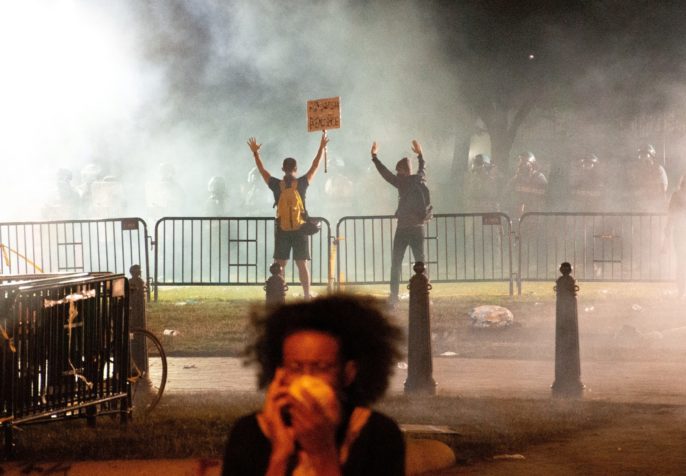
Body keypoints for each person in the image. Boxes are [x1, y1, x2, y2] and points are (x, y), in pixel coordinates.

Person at [222, 294, 405, 476]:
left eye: (321, 368)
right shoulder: (249, 433)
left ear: (348, 373)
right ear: (280, 373)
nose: (306, 379)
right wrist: (280, 455)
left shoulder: (377, 434)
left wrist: (323, 453)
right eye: (296, 368)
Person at [247, 132, 328, 300]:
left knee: (280, 264)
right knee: (302, 265)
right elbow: (314, 166)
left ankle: (279, 295)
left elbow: (262, 171)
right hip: (300, 229)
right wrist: (321, 147)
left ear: (282, 169)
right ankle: (306, 295)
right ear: (296, 169)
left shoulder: (277, 185)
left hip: (282, 229)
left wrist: (256, 153)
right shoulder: (302, 184)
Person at [371, 140, 429, 305]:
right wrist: (421, 155)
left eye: (398, 171)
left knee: (396, 263)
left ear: (403, 171)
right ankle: (423, 293)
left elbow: (385, 173)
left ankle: (394, 296)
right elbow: (423, 168)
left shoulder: (401, 183)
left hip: (403, 228)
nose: (396, 173)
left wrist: (374, 157)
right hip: (418, 227)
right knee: (420, 262)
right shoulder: (419, 179)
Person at [506, 151, 547, 219]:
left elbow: (545, 195)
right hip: (518, 214)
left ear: (531, 164)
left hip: (534, 214)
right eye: (520, 163)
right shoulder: (516, 179)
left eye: (524, 163)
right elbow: (507, 193)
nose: (521, 166)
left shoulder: (539, 178)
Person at [663, 175, 686, 298]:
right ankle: (681, 290)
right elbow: (671, 215)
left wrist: (667, 231)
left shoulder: (676, 196)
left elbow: (671, 216)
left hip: (679, 232)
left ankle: (681, 290)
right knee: (682, 262)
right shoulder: (676, 196)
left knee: (682, 262)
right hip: (680, 232)